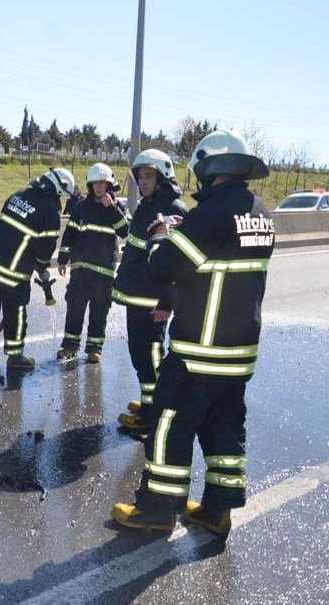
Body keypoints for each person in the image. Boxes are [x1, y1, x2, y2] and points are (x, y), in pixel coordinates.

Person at [111, 129, 273, 537]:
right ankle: (217, 511)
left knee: (169, 424)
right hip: (238, 353)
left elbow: (166, 266)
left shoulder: (211, 213)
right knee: (225, 430)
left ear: (209, 166)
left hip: (200, 349)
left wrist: (161, 236)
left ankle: (156, 510)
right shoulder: (260, 214)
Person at [112, 149, 188, 433]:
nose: (142, 182)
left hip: (152, 301)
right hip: (139, 297)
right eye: (140, 176)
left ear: (162, 178)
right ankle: (148, 403)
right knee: (139, 354)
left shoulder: (171, 209)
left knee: (151, 354)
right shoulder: (149, 205)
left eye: (148, 176)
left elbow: (174, 263)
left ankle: (155, 414)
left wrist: (167, 301)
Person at [0, 168, 75, 369]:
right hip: (13, 272)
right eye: (62, 196)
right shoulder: (50, 211)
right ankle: (15, 357)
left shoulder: (18, 195)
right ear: (58, 190)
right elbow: (46, 248)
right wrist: (42, 267)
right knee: (15, 313)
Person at [56, 163, 129, 363]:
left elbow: (125, 231)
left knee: (99, 311)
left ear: (109, 184)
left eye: (102, 183)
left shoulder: (117, 207)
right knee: (75, 309)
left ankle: (94, 349)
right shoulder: (81, 207)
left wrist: (111, 208)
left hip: (104, 272)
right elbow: (70, 233)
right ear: (90, 185)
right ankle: (69, 347)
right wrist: (62, 258)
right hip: (81, 270)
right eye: (95, 183)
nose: (98, 187)